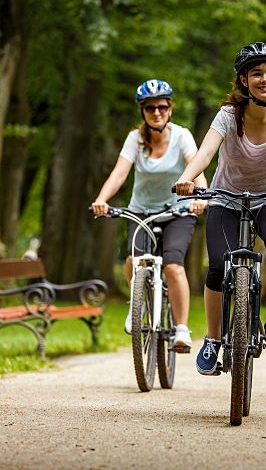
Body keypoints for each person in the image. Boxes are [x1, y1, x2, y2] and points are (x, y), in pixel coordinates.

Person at [174, 42, 266, 375]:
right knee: (217, 267)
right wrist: (186, 179)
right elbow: (205, 154)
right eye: (256, 74)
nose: (265, 79)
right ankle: (212, 338)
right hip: (226, 196)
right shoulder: (228, 115)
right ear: (243, 80)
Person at [91, 79, 207, 352]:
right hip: (141, 211)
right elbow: (120, 173)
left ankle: (180, 328)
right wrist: (101, 200)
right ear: (142, 111)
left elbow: (197, 167)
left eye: (163, 107)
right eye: (150, 108)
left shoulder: (182, 136)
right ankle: (137, 306)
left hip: (178, 210)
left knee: (173, 266)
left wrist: (201, 196)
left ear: (170, 109)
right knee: (134, 260)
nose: (157, 112)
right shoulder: (135, 139)